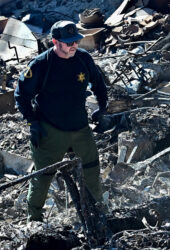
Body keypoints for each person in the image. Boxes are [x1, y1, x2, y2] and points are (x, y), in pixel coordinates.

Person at [14, 20, 108, 222]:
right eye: (68, 42)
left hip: (80, 127)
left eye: (75, 41)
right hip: (50, 129)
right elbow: (21, 95)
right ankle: (35, 219)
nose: (73, 45)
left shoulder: (83, 59)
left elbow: (99, 84)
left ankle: (99, 212)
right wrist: (33, 124)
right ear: (55, 42)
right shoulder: (41, 65)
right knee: (43, 177)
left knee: (92, 168)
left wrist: (102, 107)